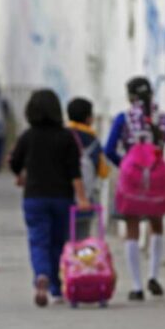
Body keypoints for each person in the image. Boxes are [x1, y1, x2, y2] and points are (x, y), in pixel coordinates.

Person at [9, 89, 91, 307]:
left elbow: (14, 161)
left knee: (38, 241)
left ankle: (41, 275)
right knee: (58, 243)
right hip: (62, 198)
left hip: (34, 197)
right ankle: (56, 289)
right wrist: (82, 198)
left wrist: (20, 175)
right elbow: (75, 172)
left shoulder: (28, 136)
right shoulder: (67, 137)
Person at [104, 77, 165, 301]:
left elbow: (109, 149)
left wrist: (126, 166)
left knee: (132, 228)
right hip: (157, 178)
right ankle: (154, 275)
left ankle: (137, 286)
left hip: (133, 179)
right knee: (157, 224)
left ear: (130, 97)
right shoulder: (164, 119)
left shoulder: (123, 119)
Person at [66, 97, 108, 239]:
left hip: (61, 199)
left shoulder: (61, 134)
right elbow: (103, 172)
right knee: (81, 240)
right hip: (85, 200)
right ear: (89, 118)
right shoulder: (93, 141)